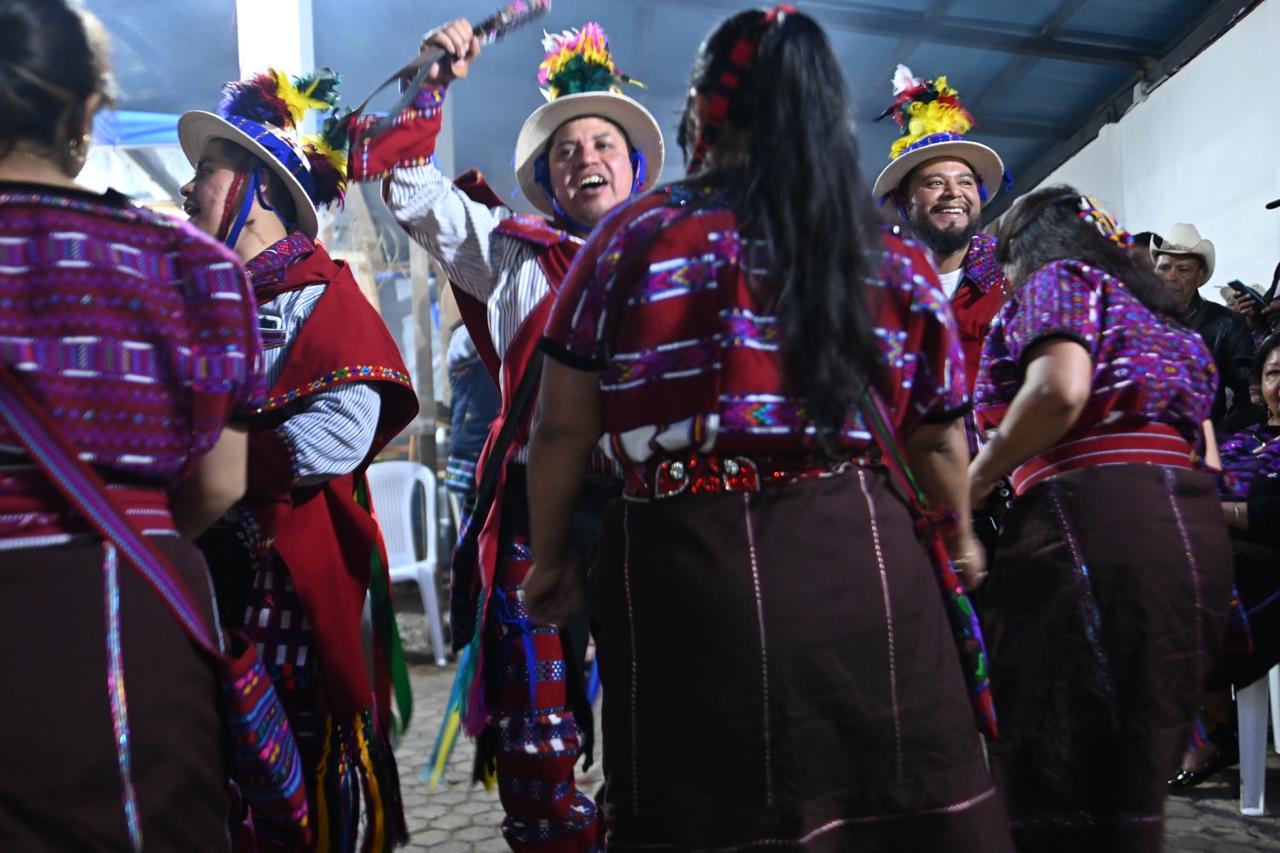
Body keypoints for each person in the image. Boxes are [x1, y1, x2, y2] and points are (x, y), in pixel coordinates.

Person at [525, 8, 1013, 850]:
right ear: (826, 114)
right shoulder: (887, 257)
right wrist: (962, 534)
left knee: (704, 815)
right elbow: (936, 437)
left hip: (681, 575)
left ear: (698, 115)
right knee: (887, 808)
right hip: (860, 563)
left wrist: (553, 554)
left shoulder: (630, 241)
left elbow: (562, 430)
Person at [350, 19, 663, 849]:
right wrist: (435, 76)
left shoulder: (675, 255)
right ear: (546, 178)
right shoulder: (509, 251)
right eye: (565, 150)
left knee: (666, 719)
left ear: (634, 166)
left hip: (654, 509)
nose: (585, 157)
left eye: (603, 142)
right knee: (534, 740)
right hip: (536, 510)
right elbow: (409, 189)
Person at [0, 0, 261, 846]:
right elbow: (222, 483)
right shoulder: (195, 267)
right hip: (134, 631)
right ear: (85, 109)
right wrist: (126, 524)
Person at [178, 67, 419, 848]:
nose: (187, 188)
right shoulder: (207, 299)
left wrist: (223, 479)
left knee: (296, 771)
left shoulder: (325, 296)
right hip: (206, 568)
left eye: (206, 170)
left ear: (256, 186)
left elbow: (344, 428)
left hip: (286, 575)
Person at [970, 187, 1233, 852]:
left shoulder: (1058, 279)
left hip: (1089, 523)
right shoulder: (1166, 321)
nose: (1003, 279)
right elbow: (1205, 452)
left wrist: (972, 485)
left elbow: (1060, 389)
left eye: (1005, 262)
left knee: (1059, 744)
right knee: (1135, 753)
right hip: (1186, 533)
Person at [871, 67, 1012, 552]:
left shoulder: (1017, 281)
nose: (954, 192)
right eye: (934, 182)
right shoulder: (877, 293)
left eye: (965, 182)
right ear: (904, 203)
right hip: (905, 507)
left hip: (1010, 505)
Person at [1171, 332, 1280, 789]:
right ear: (1259, 382)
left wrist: (1219, 512)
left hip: (1267, 558)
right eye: (1274, 372)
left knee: (1200, 577)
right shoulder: (1242, 427)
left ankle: (1213, 726)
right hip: (1211, 544)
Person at [1153, 223, 1254, 424]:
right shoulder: (1138, 320)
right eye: (1164, 267)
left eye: (1183, 270)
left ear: (1200, 275)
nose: (1171, 277)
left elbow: (1249, 395)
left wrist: (1220, 441)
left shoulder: (1228, 323)